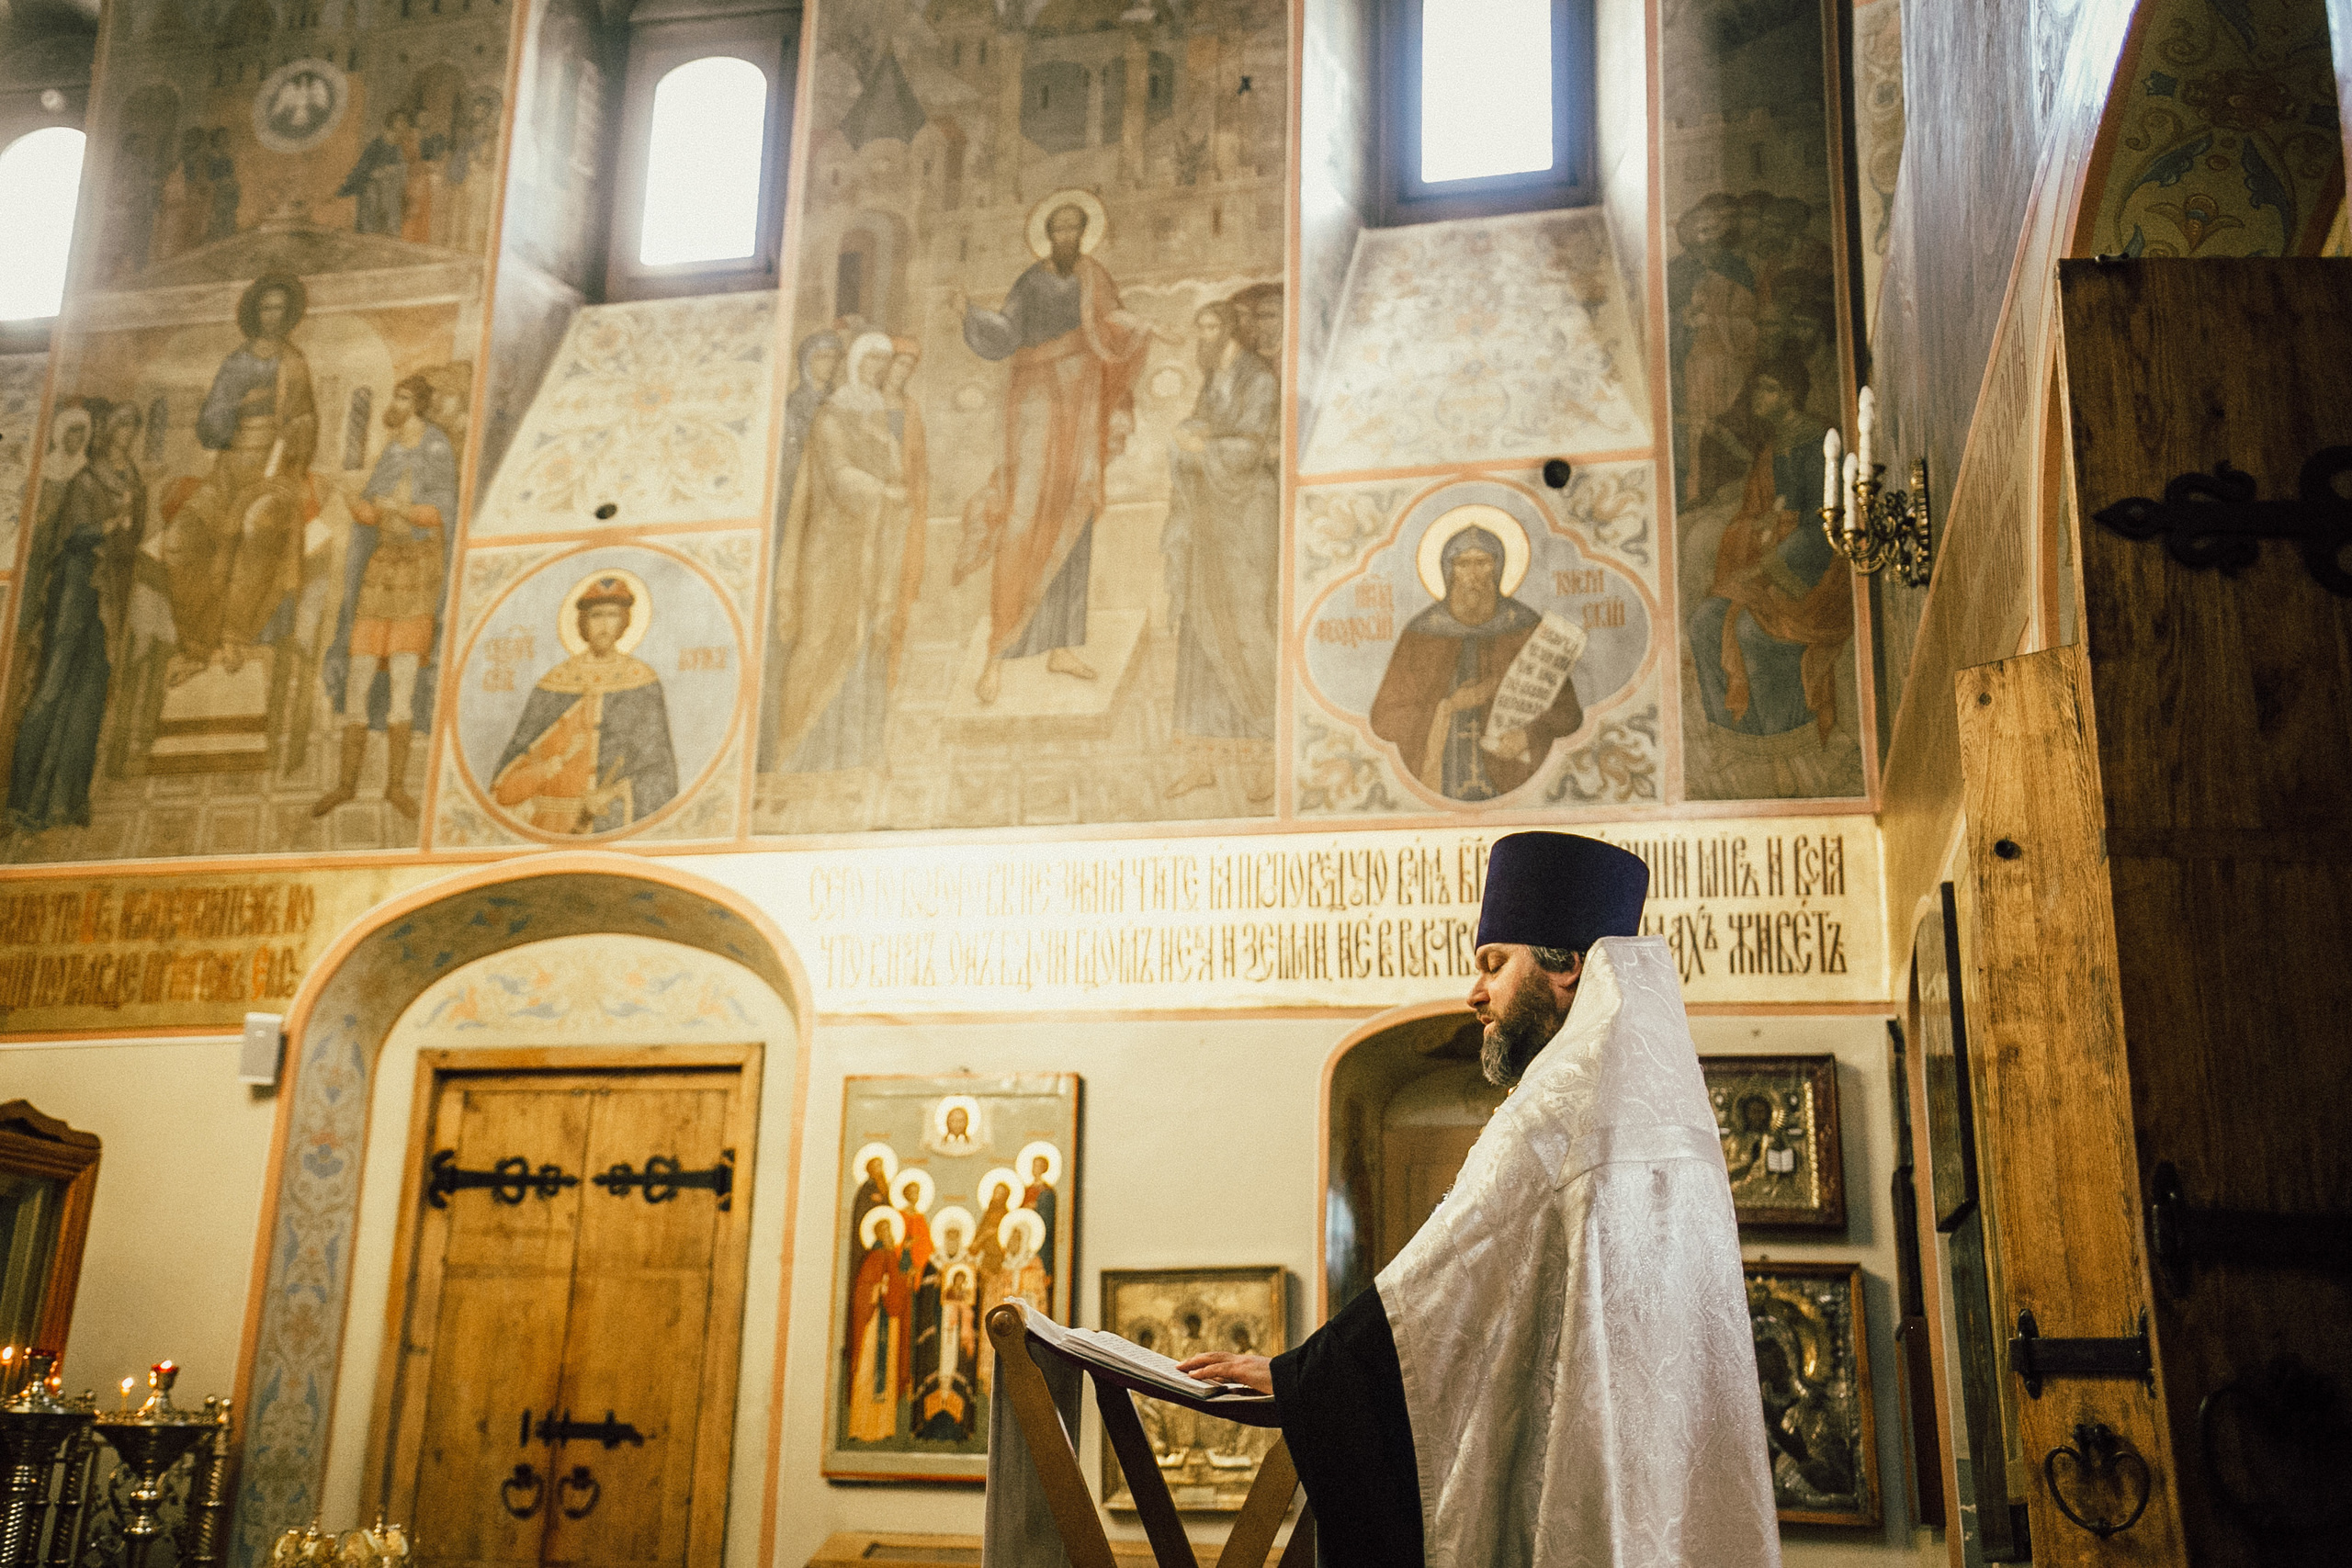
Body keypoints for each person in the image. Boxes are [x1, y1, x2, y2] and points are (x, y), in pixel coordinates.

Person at [1179, 832, 1779, 1568]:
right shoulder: (1665, 1110)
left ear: (1566, 967)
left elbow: (1442, 1280)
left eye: (1494, 963)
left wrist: (1302, 1375)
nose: (1474, 993)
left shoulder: (1558, 1104)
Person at [946, 198, 1155, 704]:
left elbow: (1112, 321)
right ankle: (997, 654)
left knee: (1074, 511)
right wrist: (970, 313)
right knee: (1024, 515)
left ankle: (1061, 645)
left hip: (1082, 400)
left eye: (1074, 230)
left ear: (1084, 234)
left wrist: (1143, 327)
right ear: (1047, 234)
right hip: (1038, 395)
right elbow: (1006, 331)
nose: (1067, 238)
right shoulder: (1032, 282)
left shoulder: (1094, 276)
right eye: (1058, 230)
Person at [158, 272, 317, 683]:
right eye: (266, 308)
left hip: (274, 472)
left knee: (258, 525)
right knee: (180, 538)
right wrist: (228, 411)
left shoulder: (294, 363)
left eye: (281, 309)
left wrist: (296, 429)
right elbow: (210, 428)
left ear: (291, 315)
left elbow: (305, 420)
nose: (273, 316)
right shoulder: (237, 362)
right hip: (228, 473)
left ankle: (235, 635)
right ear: (254, 312)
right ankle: (195, 644)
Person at [767, 332, 913, 772]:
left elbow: (894, 469)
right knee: (817, 638)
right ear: (855, 365)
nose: (877, 373)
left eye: (883, 366)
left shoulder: (878, 418)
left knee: (863, 641)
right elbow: (838, 474)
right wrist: (885, 493)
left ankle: (851, 752)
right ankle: (788, 747)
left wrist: (893, 482)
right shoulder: (830, 416)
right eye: (870, 364)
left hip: (870, 548)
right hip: (829, 547)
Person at [316, 374, 457, 819]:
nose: (394, 404)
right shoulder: (393, 450)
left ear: (419, 405)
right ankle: (345, 785)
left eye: (402, 397)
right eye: (394, 395)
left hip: (418, 569)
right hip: (381, 569)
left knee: (401, 680)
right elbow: (371, 514)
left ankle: (395, 788)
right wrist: (344, 494)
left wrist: (398, 509)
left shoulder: (436, 449)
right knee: (359, 675)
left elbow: (441, 513)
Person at [1688, 355, 1849, 743]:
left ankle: (1783, 733)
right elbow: (1754, 512)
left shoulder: (1821, 442)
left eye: (1768, 388)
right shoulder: (1772, 449)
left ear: (1790, 394)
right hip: (1771, 562)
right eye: (1757, 387)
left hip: (1817, 573)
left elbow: (1824, 526)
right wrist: (1758, 531)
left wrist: (1766, 560)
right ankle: (1730, 732)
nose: (1756, 396)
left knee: (1752, 630)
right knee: (1704, 621)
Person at [1369, 525, 1583, 801]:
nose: (1473, 575)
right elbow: (1384, 719)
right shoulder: (1421, 633)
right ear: (1449, 570)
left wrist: (1528, 735)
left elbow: (1568, 714)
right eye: (1463, 564)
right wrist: (1447, 708)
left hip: (1511, 778)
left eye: (1482, 563)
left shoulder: (1526, 627)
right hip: (1440, 781)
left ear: (1498, 567)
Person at [1161, 299, 1279, 801]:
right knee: (1199, 627)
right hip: (1208, 518)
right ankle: (1201, 761)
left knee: (1246, 627)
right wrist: (1188, 440)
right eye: (1199, 328)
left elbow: (1253, 449)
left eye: (1211, 327)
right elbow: (1197, 429)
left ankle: (1266, 759)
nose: (1203, 336)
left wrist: (1202, 449)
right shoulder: (1214, 380)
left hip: (1246, 518)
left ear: (1230, 328)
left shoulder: (1260, 380)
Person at [9, 403, 143, 834]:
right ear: (108, 434)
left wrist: (127, 528)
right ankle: (18, 801)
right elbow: (77, 534)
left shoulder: (134, 481)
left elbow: (132, 534)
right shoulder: (86, 479)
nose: (127, 435)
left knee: (91, 690)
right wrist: (112, 523)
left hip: (108, 589)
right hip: (75, 587)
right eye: (122, 426)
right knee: (51, 687)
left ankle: (70, 800)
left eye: (132, 428)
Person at [490, 575, 679, 833]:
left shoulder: (642, 683)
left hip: (610, 823)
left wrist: (613, 793)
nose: (603, 624)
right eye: (596, 615)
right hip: (550, 826)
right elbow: (506, 781)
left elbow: (661, 773)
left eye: (612, 615)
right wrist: (544, 770)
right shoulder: (554, 683)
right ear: (582, 622)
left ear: (624, 621)